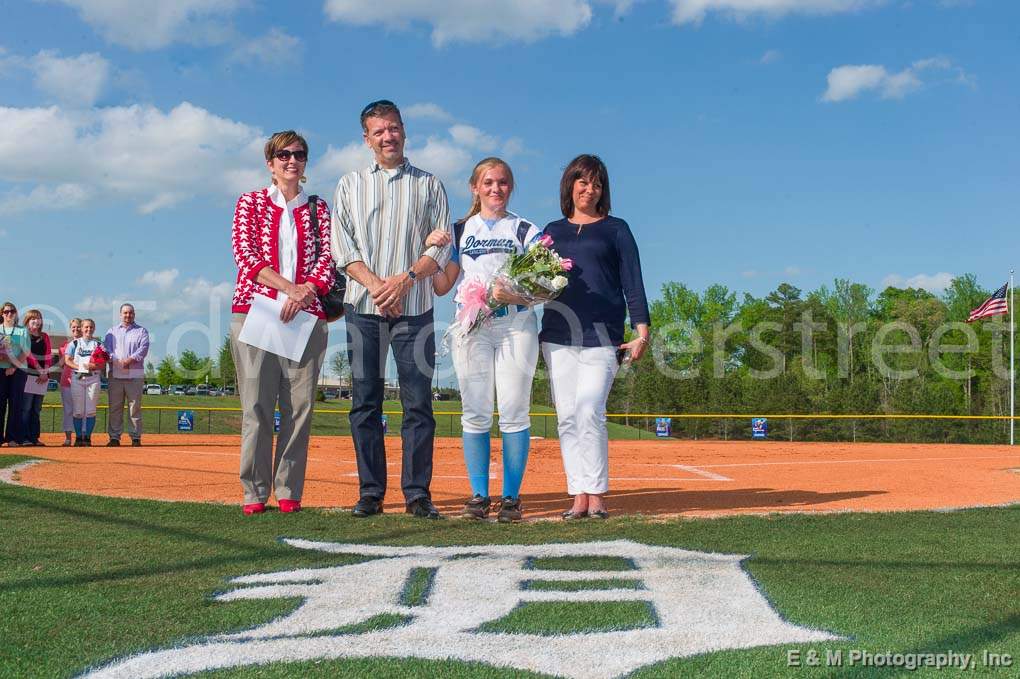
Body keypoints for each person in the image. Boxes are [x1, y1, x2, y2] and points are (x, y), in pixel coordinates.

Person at [330, 99, 451, 519]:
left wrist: (405, 280)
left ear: (404, 130)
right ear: (366, 138)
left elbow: (442, 244)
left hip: (415, 307)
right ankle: (371, 492)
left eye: (394, 127)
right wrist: (379, 286)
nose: (388, 136)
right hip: (363, 307)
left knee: (418, 403)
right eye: (379, 131)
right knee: (365, 401)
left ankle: (417, 494)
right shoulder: (349, 185)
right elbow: (342, 248)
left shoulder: (430, 185)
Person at [424, 157, 541, 522]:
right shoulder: (460, 231)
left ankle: (510, 498)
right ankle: (478, 495)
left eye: (503, 182)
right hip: (471, 325)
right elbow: (443, 286)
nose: (496, 189)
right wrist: (430, 252)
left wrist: (517, 295)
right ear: (475, 187)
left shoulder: (524, 230)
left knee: (513, 409)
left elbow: (544, 284)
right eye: (488, 182)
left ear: (511, 187)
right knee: (474, 412)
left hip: (515, 325)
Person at [540, 155, 651, 519]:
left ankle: (597, 493)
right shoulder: (551, 232)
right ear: (570, 185)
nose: (590, 189)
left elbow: (632, 281)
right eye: (583, 181)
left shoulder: (616, 229)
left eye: (597, 184)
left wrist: (641, 332)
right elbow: (535, 283)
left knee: (591, 409)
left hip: (603, 334)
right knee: (568, 416)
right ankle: (578, 496)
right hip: (558, 334)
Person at [230, 130, 333, 515]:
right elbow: (247, 256)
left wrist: (305, 292)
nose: (292, 161)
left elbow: (329, 257)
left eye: (299, 154)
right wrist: (289, 289)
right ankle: (253, 491)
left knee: (299, 408)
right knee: (256, 405)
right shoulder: (250, 202)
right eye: (283, 155)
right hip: (255, 312)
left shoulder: (319, 208)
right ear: (270, 163)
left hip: (305, 317)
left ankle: (289, 488)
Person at [104, 303, 150, 447]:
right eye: (125, 313)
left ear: (134, 314)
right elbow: (106, 350)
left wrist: (129, 360)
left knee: (134, 406)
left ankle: (135, 437)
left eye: (130, 313)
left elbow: (143, 349)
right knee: (115, 407)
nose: (127, 315)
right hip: (116, 374)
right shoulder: (111, 332)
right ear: (120, 314)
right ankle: (114, 437)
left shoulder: (141, 331)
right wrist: (117, 361)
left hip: (134, 374)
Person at [64, 319, 103, 447]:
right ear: (81, 328)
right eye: (86, 327)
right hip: (77, 378)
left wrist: (93, 365)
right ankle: (79, 437)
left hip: (93, 379)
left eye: (91, 327)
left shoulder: (98, 344)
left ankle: (87, 437)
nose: (88, 329)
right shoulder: (74, 343)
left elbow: (102, 363)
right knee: (78, 411)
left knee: (91, 410)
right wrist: (80, 367)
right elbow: (67, 360)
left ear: (94, 328)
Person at [18, 309, 53, 446]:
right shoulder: (24, 334)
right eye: (33, 318)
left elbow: (48, 354)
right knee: (26, 408)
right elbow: (28, 354)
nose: (36, 321)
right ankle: (24, 437)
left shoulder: (45, 336)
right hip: (29, 375)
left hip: (43, 377)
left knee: (37, 409)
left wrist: (45, 371)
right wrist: (39, 370)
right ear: (27, 320)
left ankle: (34, 437)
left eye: (38, 318)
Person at [0, 302, 30, 447]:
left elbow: (25, 352)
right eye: (6, 312)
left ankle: (12, 438)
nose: (9, 314)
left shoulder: (22, 330)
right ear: (2, 314)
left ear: (16, 313)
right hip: (0, 370)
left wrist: (13, 366)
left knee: (15, 403)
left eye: (12, 311)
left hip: (18, 370)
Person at [59, 319, 83, 446]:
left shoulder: (87, 344)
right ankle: (68, 437)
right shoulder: (64, 345)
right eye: (73, 327)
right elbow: (61, 363)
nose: (76, 329)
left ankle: (82, 437)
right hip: (67, 381)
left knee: (81, 410)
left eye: (78, 327)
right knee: (68, 410)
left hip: (82, 381)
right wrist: (71, 346)